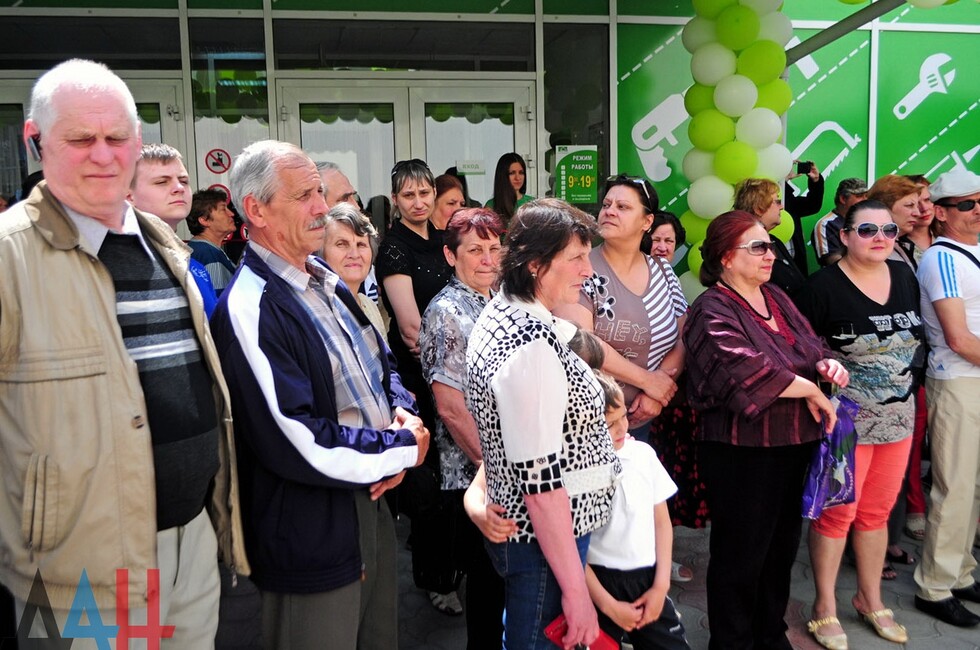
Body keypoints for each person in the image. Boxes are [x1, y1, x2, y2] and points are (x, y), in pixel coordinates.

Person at [0, 58, 248, 648]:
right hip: (76, 574)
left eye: (116, 138)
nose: (102, 155)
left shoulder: (166, 245)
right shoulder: (9, 258)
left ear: (137, 142)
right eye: (80, 139)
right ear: (36, 141)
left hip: (192, 543)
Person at [209, 139, 430, 649]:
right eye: (305, 195)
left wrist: (402, 414)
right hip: (310, 532)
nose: (322, 208)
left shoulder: (322, 277)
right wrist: (400, 447)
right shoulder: (250, 306)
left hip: (371, 499)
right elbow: (296, 438)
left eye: (321, 193)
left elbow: (381, 363)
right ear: (256, 211)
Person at [683, 210, 849, 650]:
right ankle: (732, 642)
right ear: (725, 256)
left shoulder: (775, 296)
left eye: (770, 245)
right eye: (758, 247)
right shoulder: (710, 308)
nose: (770, 254)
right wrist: (810, 390)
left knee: (780, 549)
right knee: (741, 555)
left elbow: (812, 345)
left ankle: (770, 634)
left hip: (793, 443)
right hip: (742, 451)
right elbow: (742, 370)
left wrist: (827, 365)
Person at [465, 198, 621, 649]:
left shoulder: (512, 310)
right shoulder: (529, 348)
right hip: (543, 543)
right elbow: (541, 484)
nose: (588, 270)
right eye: (575, 258)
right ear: (535, 264)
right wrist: (577, 594)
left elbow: (581, 344)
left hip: (544, 537)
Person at [796, 200, 925, 649]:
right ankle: (824, 605)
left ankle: (870, 599)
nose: (880, 238)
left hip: (898, 420)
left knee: (877, 514)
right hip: (845, 424)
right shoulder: (822, 287)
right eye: (867, 230)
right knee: (838, 514)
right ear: (846, 235)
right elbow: (802, 352)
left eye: (889, 231)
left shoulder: (905, 277)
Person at [419, 207, 505, 649]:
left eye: (494, 248)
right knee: (487, 589)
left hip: (503, 468)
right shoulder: (447, 311)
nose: (488, 259)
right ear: (451, 256)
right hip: (475, 474)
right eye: (475, 250)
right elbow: (451, 409)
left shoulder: (498, 299)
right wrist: (493, 473)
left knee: (503, 585)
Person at [375, 158, 458, 613]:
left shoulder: (444, 240)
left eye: (424, 192)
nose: (419, 201)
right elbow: (411, 330)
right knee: (429, 482)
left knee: (454, 476)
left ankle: (453, 566)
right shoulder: (393, 248)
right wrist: (451, 369)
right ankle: (434, 578)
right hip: (420, 375)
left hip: (452, 371)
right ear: (396, 200)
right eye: (409, 195)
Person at [554, 174, 684, 445]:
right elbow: (580, 342)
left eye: (622, 207)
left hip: (645, 418)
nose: (610, 211)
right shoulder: (580, 267)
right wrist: (648, 381)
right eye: (606, 205)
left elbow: (685, 337)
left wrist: (656, 393)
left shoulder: (663, 271)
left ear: (647, 222)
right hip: (589, 421)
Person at [912, 168, 980, 628]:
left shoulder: (971, 250)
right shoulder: (942, 259)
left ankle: (960, 571)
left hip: (971, 377)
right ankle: (934, 585)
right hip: (957, 379)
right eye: (966, 204)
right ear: (940, 212)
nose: (977, 211)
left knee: (971, 485)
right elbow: (957, 337)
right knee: (954, 485)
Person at [586, 371, 692, 650]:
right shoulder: (578, 472)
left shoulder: (643, 455)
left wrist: (660, 586)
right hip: (598, 585)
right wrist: (608, 605)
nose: (621, 428)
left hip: (648, 579)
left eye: (623, 417)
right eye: (609, 424)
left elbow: (662, 523)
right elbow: (572, 548)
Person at [644, 211, 709, 573]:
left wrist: (665, 381)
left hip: (668, 393)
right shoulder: (631, 273)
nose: (662, 247)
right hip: (639, 393)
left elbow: (683, 330)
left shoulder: (668, 275)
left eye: (669, 241)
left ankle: (659, 559)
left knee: (662, 480)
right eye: (656, 239)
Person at [129, 142, 219, 315]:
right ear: (128, 195)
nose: (179, 188)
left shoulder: (194, 266)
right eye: (162, 182)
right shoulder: (118, 265)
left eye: (184, 181)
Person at [901, 173, 935, 543]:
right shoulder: (896, 248)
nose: (922, 208)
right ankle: (914, 506)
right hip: (918, 357)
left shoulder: (950, 243)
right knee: (914, 437)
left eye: (926, 199)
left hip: (954, 355)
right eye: (913, 202)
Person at [733, 177, 807, 297]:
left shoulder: (774, 241)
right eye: (777, 201)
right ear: (759, 209)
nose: (781, 206)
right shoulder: (746, 248)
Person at [320, 202, 386, 333]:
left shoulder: (369, 306)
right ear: (321, 252)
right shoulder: (318, 311)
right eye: (341, 244)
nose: (354, 254)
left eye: (361, 245)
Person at [186, 188, 238, 296]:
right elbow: (217, 301)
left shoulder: (199, 249)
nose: (231, 214)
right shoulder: (208, 254)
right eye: (223, 209)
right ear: (204, 220)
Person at [867, 174, 922, 270]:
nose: (917, 213)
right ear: (883, 207)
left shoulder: (904, 245)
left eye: (917, 206)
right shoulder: (868, 251)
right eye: (909, 205)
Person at [811, 178, 868, 267]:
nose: (865, 200)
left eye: (866, 196)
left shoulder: (867, 221)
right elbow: (834, 263)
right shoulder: (826, 224)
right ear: (843, 199)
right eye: (859, 196)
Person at [783, 160, 825, 273]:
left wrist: (815, 181)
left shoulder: (789, 200)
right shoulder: (761, 196)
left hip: (796, 266)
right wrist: (782, 181)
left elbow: (812, 205)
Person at [485, 152, 534, 225]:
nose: (517, 178)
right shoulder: (491, 207)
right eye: (512, 173)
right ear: (503, 176)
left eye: (521, 173)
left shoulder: (532, 203)